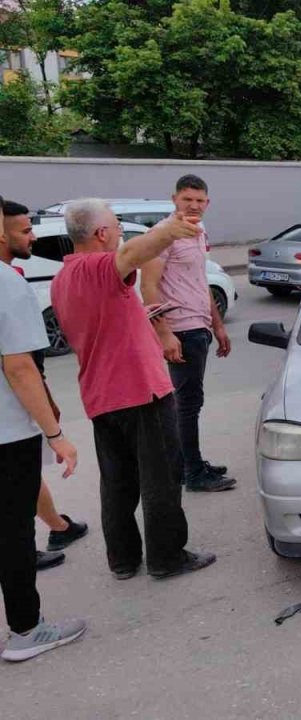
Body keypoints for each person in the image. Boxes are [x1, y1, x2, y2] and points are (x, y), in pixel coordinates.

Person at [52, 199, 217, 581]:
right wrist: (166, 231)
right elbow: (130, 255)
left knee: (118, 484)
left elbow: (101, 323)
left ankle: (123, 560)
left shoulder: (64, 279)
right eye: (116, 227)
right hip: (139, 391)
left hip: (100, 395)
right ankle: (166, 558)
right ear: (101, 234)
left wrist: (138, 320)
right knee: (161, 477)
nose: (120, 233)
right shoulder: (98, 267)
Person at [0, 193, 86, 663]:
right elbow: (20, 369)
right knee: (12, 533)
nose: (30, 235)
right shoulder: (6, 284)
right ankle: (27, 630)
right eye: (20, 228)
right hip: (7, 434)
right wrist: (56, 433)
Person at [141, 175, 235, 493]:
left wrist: (218, 325)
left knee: (190, 401)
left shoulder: (197, 231)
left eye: (199, 200)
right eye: (187, 199)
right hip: (181, 330)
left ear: (207, 203)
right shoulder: (162, 236)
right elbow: (148, 287)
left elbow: (199, 281)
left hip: (200, 327)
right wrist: (165, 334)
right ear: (174, 199)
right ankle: (193, 473)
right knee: (187, 404)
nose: (193, 205)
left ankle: (188, 463)